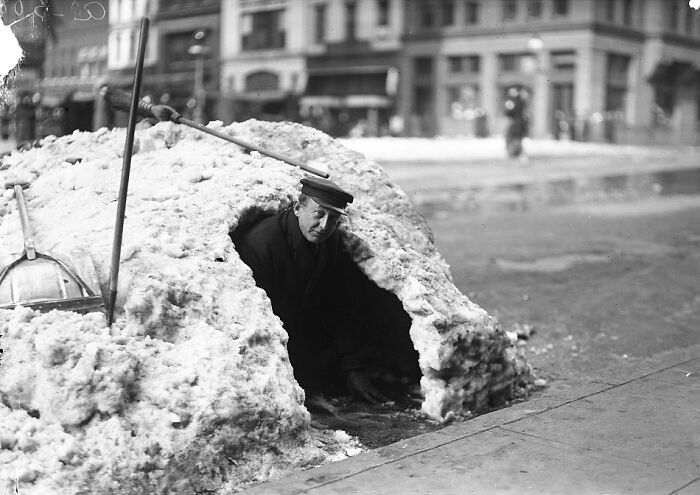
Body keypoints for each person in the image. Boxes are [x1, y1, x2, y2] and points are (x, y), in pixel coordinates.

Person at [233, 177, 389, 405]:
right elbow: (256, 321)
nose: (325, 225)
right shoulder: (262, 243)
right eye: (319, 214)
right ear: (297, 208)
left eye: (333, 218)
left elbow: (339, 306)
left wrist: (352, 369)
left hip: (307, 347)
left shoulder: (331, 242)